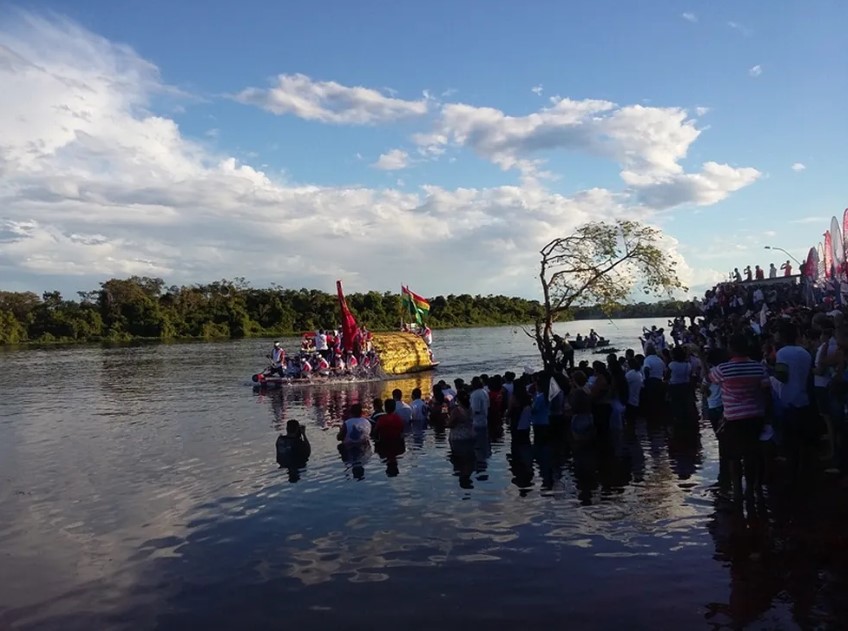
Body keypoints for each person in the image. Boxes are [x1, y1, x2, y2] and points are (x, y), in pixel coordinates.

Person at [709, 334, 771, 501]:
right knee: (751, 454)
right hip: (755, 416)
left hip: (733, 418)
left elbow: (709, 379)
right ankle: (750, 489)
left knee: (734, 457)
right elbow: (766, 390)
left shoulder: (723, 369)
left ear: (730, 349)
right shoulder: (758, 367)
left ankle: (737, 491)